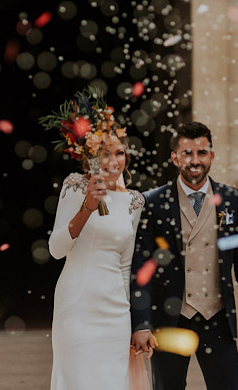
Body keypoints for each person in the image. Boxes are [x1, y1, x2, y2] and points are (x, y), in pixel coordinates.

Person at [129, 122, 238, 390]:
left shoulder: (231, 199)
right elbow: (141, 268)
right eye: (187, 153)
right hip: (169, 318)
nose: (195, 161)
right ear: (174, 157)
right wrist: (141, 323)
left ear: (212, 156)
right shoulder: (153, 202)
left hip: (216, 316)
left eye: (201, 153)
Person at [48, 135, 152, 389]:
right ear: (92, 156)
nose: (113, 161)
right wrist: (87, 207)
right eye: (106, 153)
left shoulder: (134, 202)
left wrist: (136, 321)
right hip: (76, 305)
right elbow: (56, 250)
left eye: (120, 153)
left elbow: (126, 265)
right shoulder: (75, 186)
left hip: (115, 311)